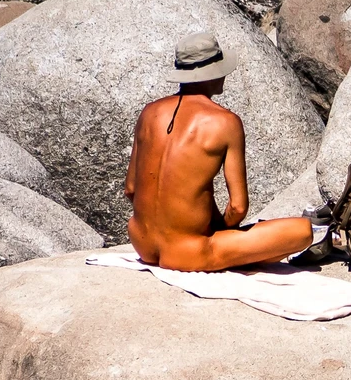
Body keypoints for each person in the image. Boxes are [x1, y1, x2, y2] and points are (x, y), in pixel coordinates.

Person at [123, 31, 318, 272]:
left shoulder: (149, 113)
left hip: (142, 244)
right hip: (190, 253)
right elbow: (238, 207)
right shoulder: (225, 122)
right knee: (302, 231)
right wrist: (221, 232)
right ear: (212, 73)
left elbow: (131, 189)